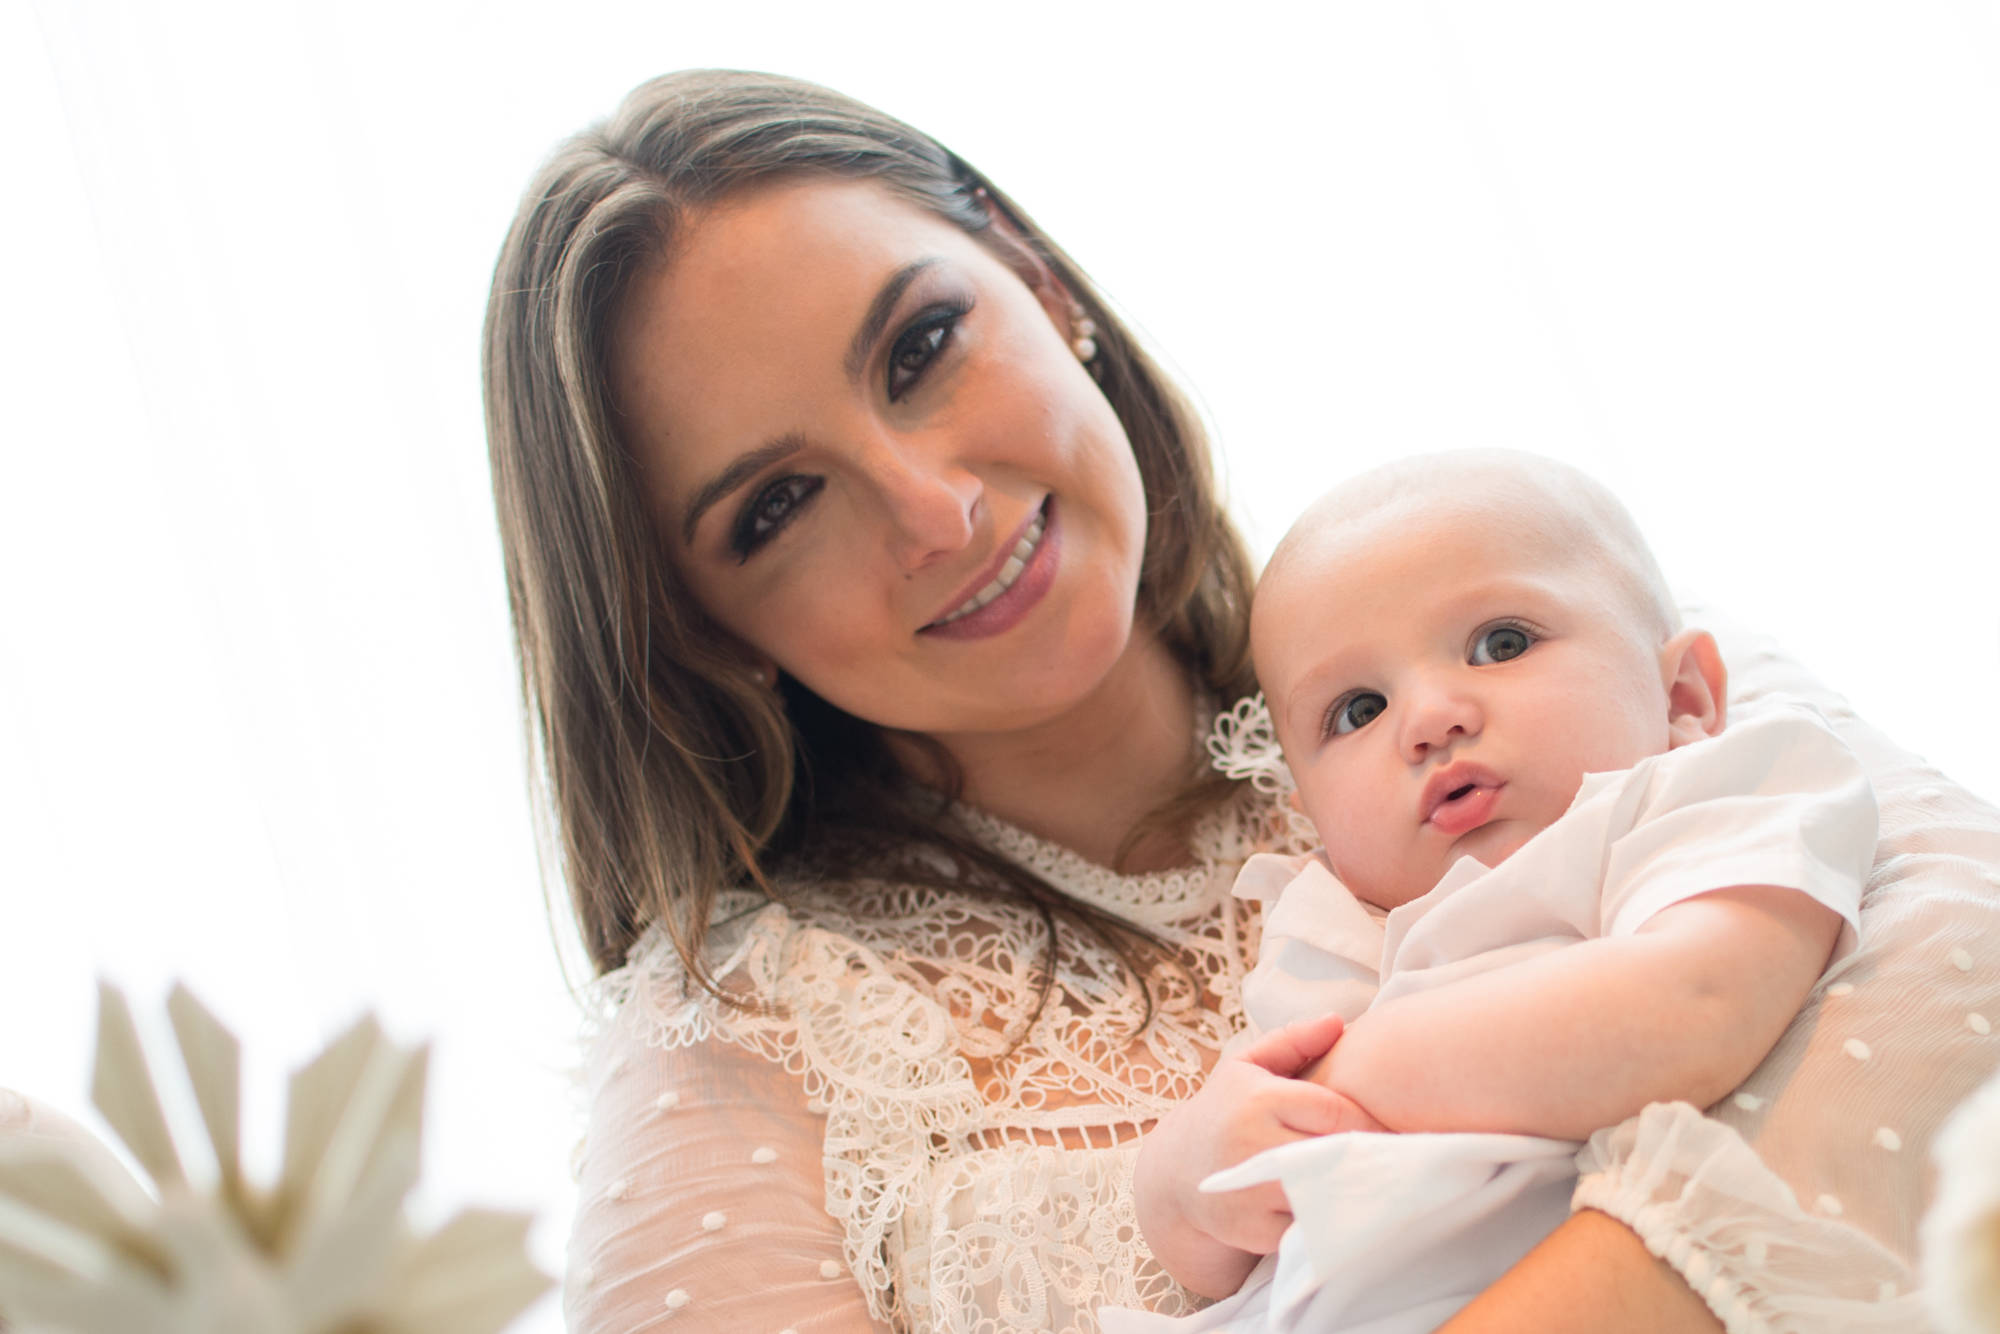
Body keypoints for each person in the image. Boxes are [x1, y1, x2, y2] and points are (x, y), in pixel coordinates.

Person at [481, 69, 2000, 1334]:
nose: (934, 510)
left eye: (921, 347)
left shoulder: (1551, 640)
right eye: (778, 504)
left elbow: (1967, 991)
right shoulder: (739, 1046)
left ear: (1040, 281)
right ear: (699, 628)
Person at [1117, 451, 1880, 1333]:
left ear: (1683, 697)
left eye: (1502, 644)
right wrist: (1181, 1183)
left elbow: (1695, 1005)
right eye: (1359, 709)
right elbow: (1232, 1243)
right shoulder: (1340, 926)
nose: (1429, 719)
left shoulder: (1709, 796)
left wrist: (1357, 1073)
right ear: (1309, 815)